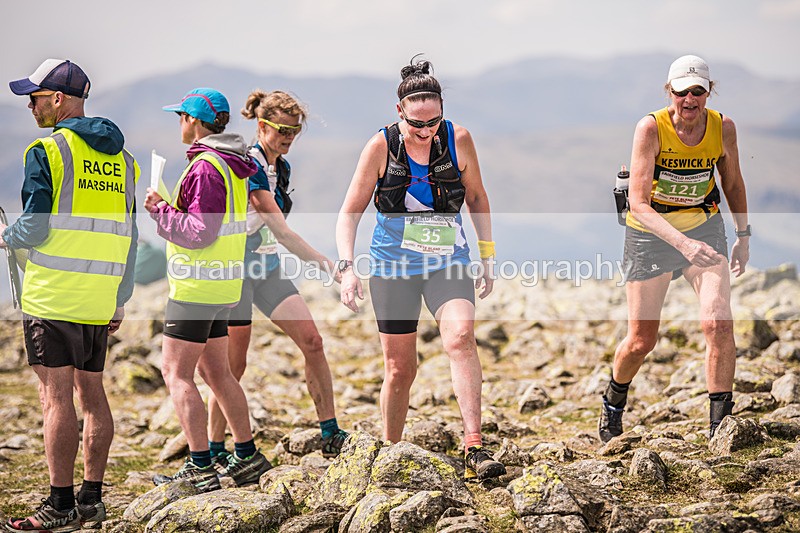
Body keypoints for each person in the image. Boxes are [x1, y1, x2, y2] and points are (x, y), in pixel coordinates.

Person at [335, 57, 506, 481]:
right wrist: (347, 267)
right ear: (400, 113)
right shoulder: (380, 147)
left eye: (434, 122)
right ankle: (390, 450)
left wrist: (487, 256)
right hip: (394, 266)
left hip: (448, 259)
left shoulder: (459, 139)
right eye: (417, 125)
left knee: (461, 338)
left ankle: (474, 445)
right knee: (400, 368)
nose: (426, 132)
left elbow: (478, 198)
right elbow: (349, 212)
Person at [2, 59, 139, 532]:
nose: (30, 105)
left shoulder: (47, 151)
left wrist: (8, 237)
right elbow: (130, 232)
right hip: (100, 297)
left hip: (53, 296)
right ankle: (92, 500)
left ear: (58, 98)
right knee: (93, 394)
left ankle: (59, 506)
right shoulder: (124, 161)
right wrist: (120, 295)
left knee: (55, 398)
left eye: (35, 97)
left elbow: (36, 225)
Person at [598, 55, 750, 443]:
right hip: (651, 235)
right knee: (641, 340)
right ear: (670, 92)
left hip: (705, 226)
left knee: (717, 322)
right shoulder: (650, 128)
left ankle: (720, 427)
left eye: (698, 91)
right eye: (682, 92)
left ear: (709, 92)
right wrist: (683, 244)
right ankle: (613, 400)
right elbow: (639, 202)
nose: (690, 99)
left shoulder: (722, 127)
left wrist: (743, 235)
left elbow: (732, 183)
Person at [206, 90, 348, 463]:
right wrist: (329, 266)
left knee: (313, 341)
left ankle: (330, 431)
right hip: (237, 270)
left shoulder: (279, 166)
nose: (289, 137)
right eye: (283, 130)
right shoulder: (249, 164)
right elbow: (281, 231)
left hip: (266, 267)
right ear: (262, 125)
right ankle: (216, 449)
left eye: (296, 131)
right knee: (232, 365)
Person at [145, 88, 271, 491]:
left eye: (181, 116)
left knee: (175, 372)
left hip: (195, 285)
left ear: (195, 122)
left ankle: (200, 467)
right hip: (223, 284)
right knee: (218, 373)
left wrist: (159, 210)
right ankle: (247, 456)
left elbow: (200, 231)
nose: (179, 123)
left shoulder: (205, 166)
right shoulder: (235, 164)